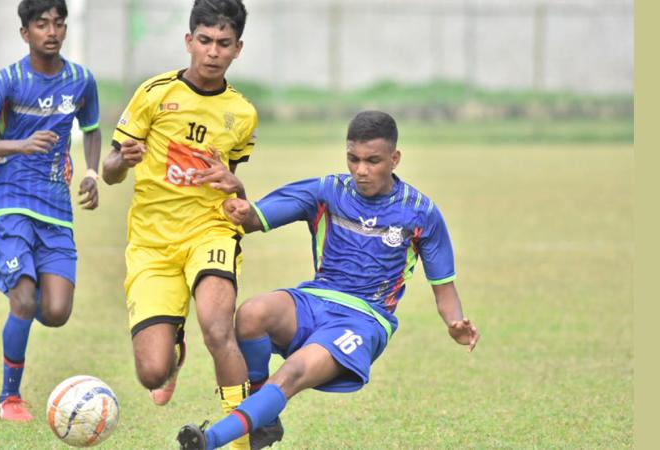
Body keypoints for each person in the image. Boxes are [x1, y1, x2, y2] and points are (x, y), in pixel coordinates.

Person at [176, 111, 480, 449]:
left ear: (394, 159)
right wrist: (238, 195)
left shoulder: (420, 212)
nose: (361, 170)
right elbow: (252, 219)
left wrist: (455, 323)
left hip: (364, 320)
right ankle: (264, 420)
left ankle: (211, 439)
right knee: (251, 314)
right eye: (354, 159)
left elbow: (445, 290)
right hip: (315, 299)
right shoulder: (327, 191)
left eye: (373, 161)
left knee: (291, 373)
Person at [102, 1, 258, 448]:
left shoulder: (242, 114)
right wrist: (119, 161)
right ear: (189, 41)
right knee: (151, 372)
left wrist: (237, 185)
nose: (212, 52)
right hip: (151, 244)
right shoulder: (153, 94)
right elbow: (112, 169)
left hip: (210, 230)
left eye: (223, 44)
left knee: (218, 325)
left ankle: (239, 438)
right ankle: (173, 344)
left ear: (237, 49)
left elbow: (236, 189)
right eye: (204, 41)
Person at [0, 0, 101, 422]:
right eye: (41, 24)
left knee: (56, 312)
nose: (52, 31)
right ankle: (10, 397)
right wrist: (18, 145)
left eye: (58, 23)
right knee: (23, 298)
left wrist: (91, 173)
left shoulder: (81, 80)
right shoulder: (7, 80)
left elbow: (92, 129)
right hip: (10, 197)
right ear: (26, 33)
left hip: (56, 205)